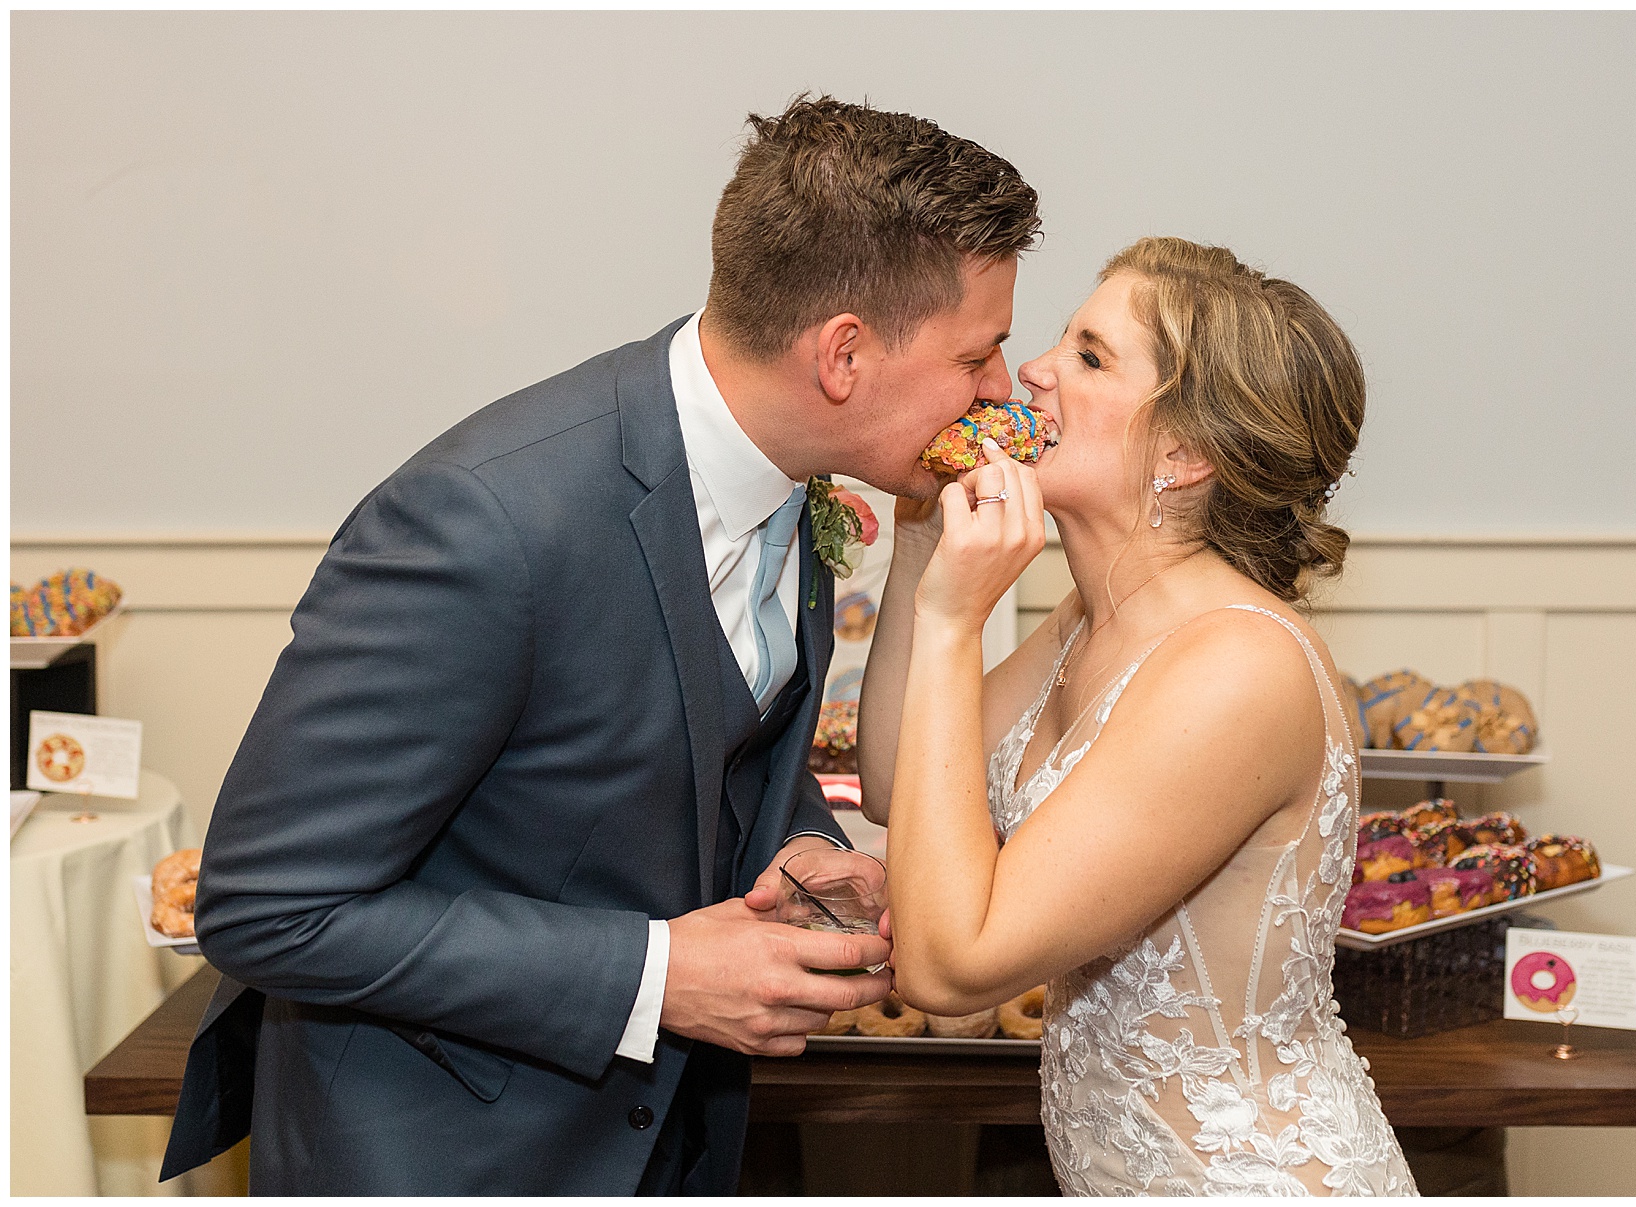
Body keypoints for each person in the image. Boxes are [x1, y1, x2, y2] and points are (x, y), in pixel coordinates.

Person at [159, 95, 1041, 1195]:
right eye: (980, 352)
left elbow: (686, 748)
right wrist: (659, 975)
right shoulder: (482, 524)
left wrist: (796, 845)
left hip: (659, 1139)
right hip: (443, 1152)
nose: (1002, 389)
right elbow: (266, 906)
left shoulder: (794, 474)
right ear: (844, 355)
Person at [859, 237, 1418, 1195]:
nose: (1031, 370)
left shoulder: (1237, 667)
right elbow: (892, 780)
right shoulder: (1089, 617)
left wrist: (957, 621)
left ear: (1186, 451)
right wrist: (920, 543)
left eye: (1088, 355)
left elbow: (952, 968)